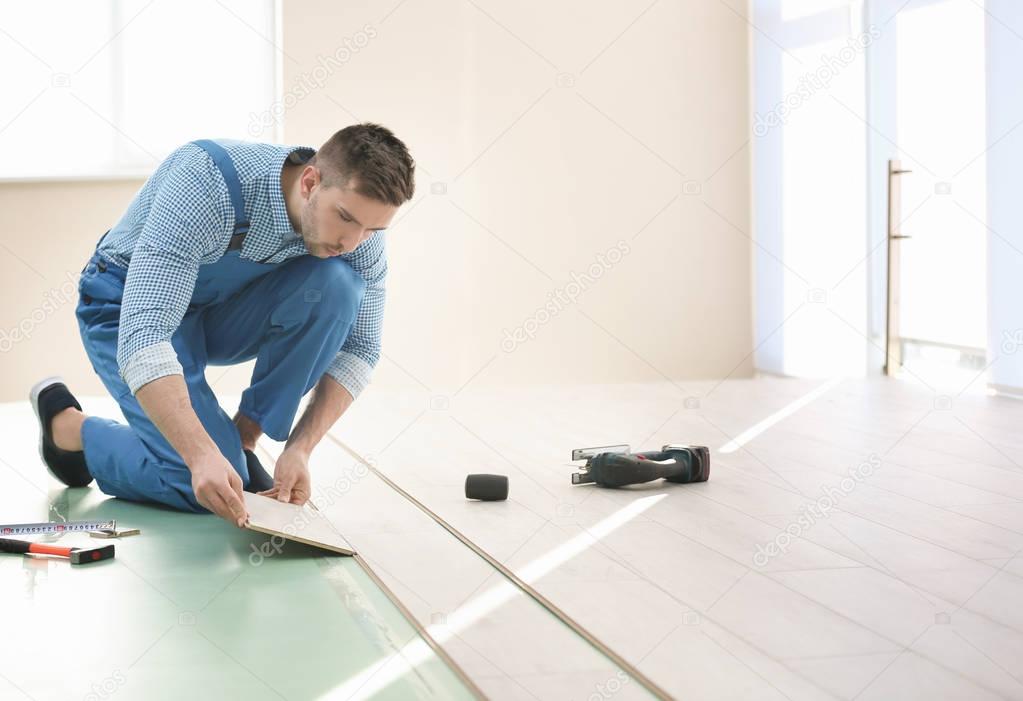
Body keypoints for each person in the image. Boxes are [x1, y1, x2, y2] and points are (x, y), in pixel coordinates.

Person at [29, 123, 415, 527]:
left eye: (372, 228)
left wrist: (301, 447)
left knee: (337, 285)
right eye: (346, 219)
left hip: (214, 308)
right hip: (126, 305)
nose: (354, 242)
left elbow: (362, 348)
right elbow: (145, 335)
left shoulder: (358, 232)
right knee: (202, 484)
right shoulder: (205, 183)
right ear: (310, 181)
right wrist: (200, 456)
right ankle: (71, 432)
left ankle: (244, 439)